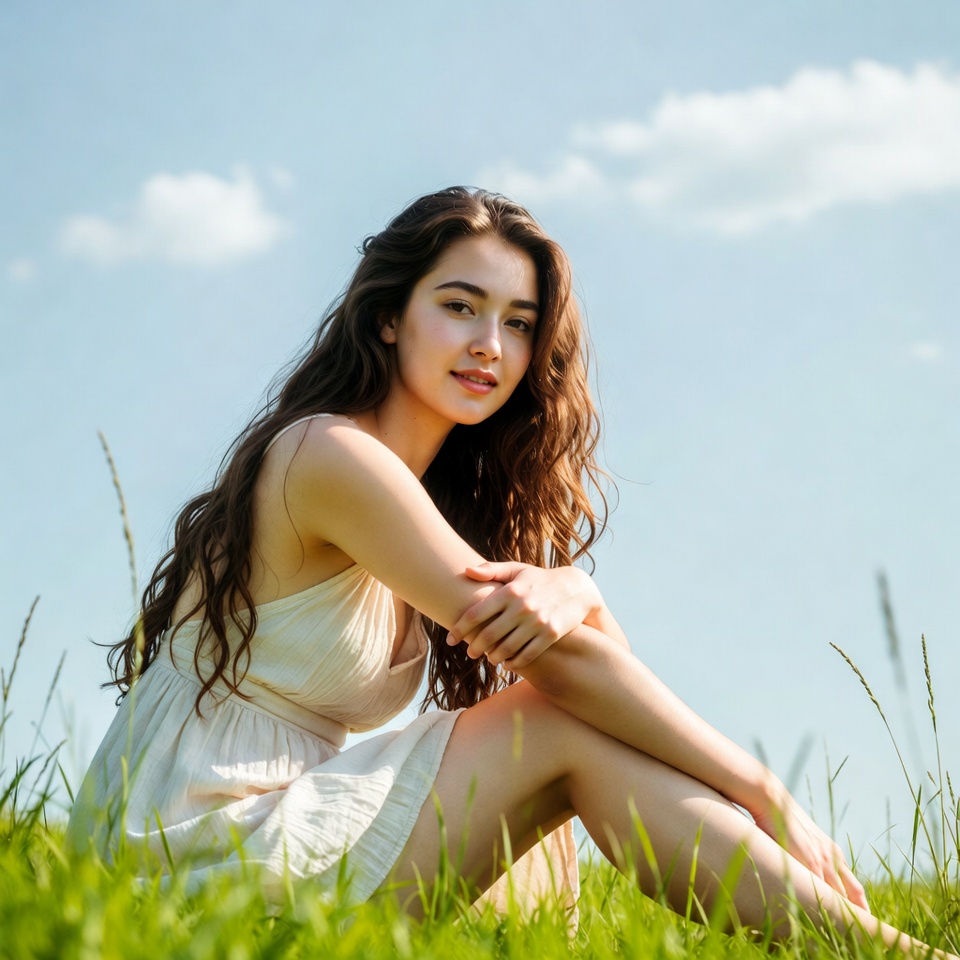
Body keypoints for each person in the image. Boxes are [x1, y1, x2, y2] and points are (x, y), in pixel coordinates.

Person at [67, 186, 951, 954]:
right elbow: (567, 678)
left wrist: (580, 593)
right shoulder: (328, 455)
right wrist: (763, 789)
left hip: (279, 823)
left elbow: (598, 680)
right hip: (183, 848)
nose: (490, 343)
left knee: (561, 717)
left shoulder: (420, 500)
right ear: (388, 316)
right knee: (549, 725)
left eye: (518, 323)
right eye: (459, 305)